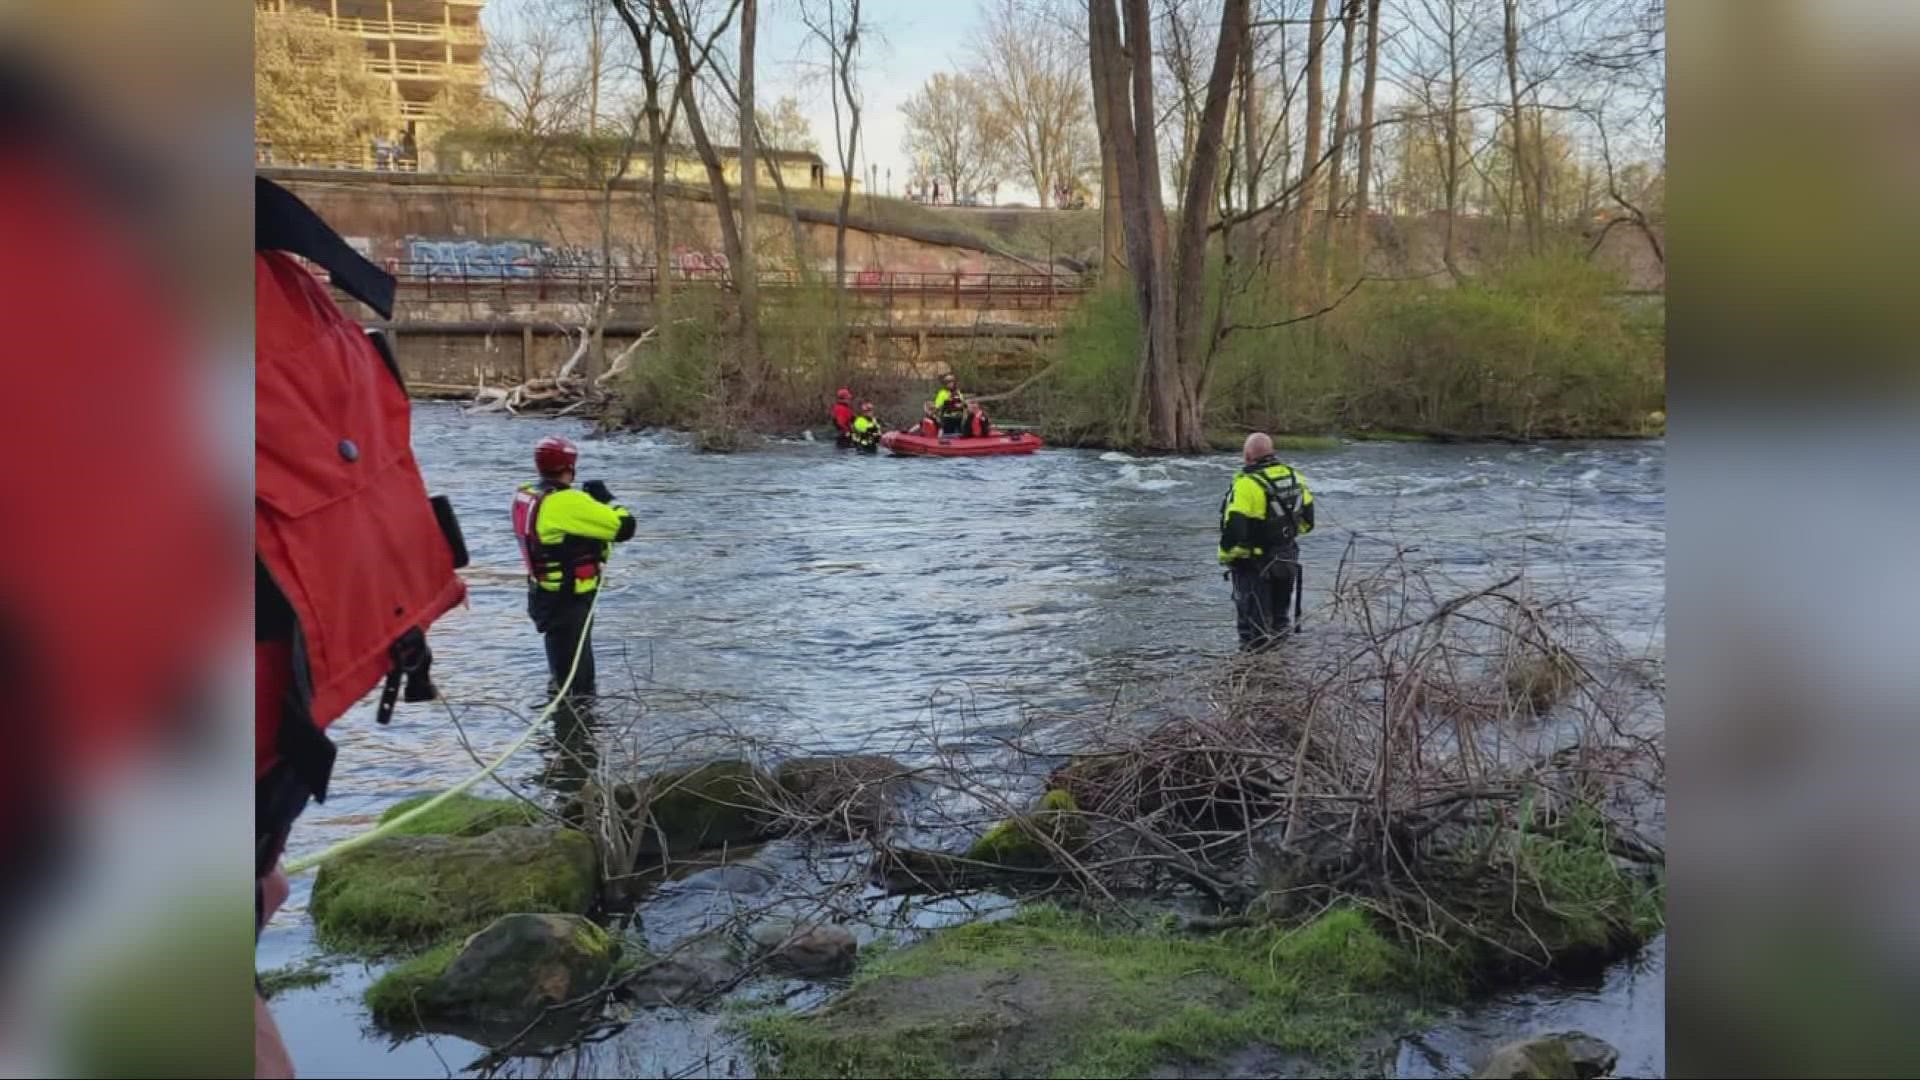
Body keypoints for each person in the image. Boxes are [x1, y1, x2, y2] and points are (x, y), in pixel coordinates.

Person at [512, 436, 638, 702]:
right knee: (579, 685)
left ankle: (561, 719)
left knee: (561, 667)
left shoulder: (526, 494)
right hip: (569, 599)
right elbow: (625, 527)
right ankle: (577, 734)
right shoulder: (566, 502)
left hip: (543, 594)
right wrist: (608, 499)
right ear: (571, 466)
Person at [1218, 432, 1316, 651]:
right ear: (1272, 453)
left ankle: (1252, 678)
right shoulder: (1295, 477)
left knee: (1253, 630)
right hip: (1287, 559)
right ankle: (1281, 672)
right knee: (1280, 621)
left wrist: (1225, 555)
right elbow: (1308, 523)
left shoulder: (1246, 484)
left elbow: (1235, 530)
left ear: (1247, 456)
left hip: (1254, 565)